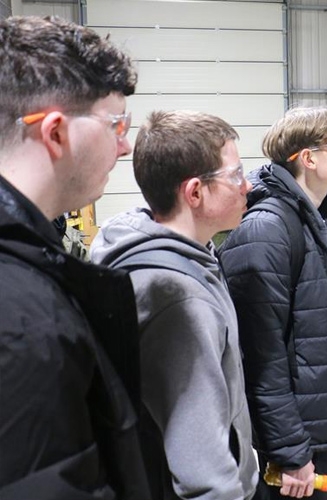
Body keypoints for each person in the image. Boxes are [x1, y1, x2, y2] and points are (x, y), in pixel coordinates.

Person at [0, 15, 150, 499]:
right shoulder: (22, 322)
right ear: (56, 133)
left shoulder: (31, 266)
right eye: (116, 125)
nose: (125, 146)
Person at [89, 110, 259, 500]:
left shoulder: (183, 255)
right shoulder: (181, 298)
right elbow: (200, 467)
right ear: (195, 192)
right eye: (235, 175)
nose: (247, 185)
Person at [218, 107, 327, 500]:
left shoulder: (321, 220)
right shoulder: (267, 231)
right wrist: (289, 451)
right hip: (296, 440)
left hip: (321, 426)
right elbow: (260, 359)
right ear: (308, 159)